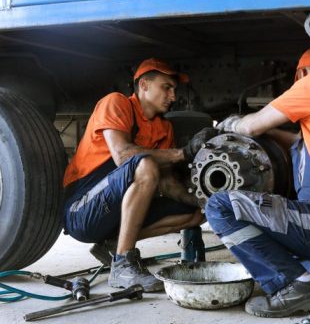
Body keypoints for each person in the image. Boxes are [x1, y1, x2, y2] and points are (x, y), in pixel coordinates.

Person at [205, 47, 310, 317]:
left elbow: (250, 127)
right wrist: (271, 131)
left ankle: (294, 285)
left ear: (302, 74)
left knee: (220, 207)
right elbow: (300, 141)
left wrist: (230, 124)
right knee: (270, 220)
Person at [63, 58, 204, 291]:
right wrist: (183, 153)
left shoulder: (164, 128)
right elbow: (122, 155)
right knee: (145, 164)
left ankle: (113, 245)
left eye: (174, 90)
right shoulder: (116, 103)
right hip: (82, 209)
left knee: (195, 214)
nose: (173, 96)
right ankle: (123, 266)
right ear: (144, 84)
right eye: (166, 87)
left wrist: (202, 201)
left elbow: (167, 183)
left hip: (115, 214)